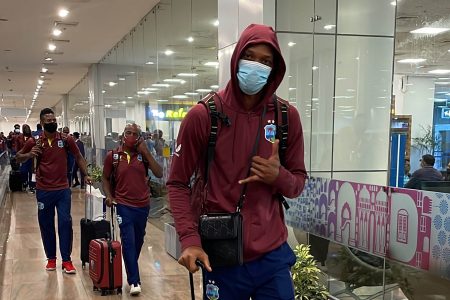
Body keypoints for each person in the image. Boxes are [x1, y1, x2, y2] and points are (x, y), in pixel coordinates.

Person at [167, 24, 307, 299]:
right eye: (250, 57)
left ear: (275, 68)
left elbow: (298, 183)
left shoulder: (286, 117)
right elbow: (177, 182)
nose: (257, 66)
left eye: (266, 61)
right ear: (237, 58)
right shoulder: (204, 115)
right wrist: (189, 239)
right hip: (221, 253)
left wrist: (278, 176)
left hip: (271, 255)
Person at [16, 108, 92, 274]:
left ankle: (66, 260)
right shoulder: (35, 141)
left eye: (54, 120)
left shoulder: (66, 139)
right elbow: (18, 157)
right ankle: (51, 258)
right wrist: (29, 155)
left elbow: (79, 157)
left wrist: (86, 174)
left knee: (65, 222)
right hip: (43, 190)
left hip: (63, 189)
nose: (52, 123)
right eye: (48, 121)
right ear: (42, 123)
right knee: (46, 224)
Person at [102, 123, 163, 296]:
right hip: (123, 205)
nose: (131, 136)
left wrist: (146, 152)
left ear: (139, 138)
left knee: (138, 240)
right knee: (128, 240)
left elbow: (159, 173)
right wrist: (109, 196)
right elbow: (106, 178)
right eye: (128, 132)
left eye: (135, 134)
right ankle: (134, 281)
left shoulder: (143, 156)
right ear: (122, 135)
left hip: (142, 205)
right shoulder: (113, 156)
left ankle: (130, 265)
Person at [16, 124, 34, 192]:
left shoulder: (32, 137)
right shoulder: (19, 137)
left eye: (27, 128)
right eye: (25, 128)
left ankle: (32, 185)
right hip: (22, 157)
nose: (26, 129)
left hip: (31, 157)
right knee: (23, 171)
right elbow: (17, 148)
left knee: (32, 172)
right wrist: (17, 157)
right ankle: (24, 183)